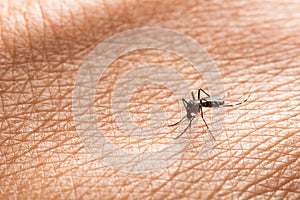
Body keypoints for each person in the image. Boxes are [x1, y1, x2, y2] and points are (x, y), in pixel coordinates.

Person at [1, 1, 299, 199]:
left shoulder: (198, 106)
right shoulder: (190, 106)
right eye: (191, 113)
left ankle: (234, 103)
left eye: (191, 114)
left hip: (209, 101)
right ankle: (217, 107)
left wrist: (201, 115)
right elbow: (188, 104)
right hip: (199, 102)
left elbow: (195, 105)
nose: (191, 112)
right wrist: (185, 117)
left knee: (202, 105)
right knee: (191, 103)